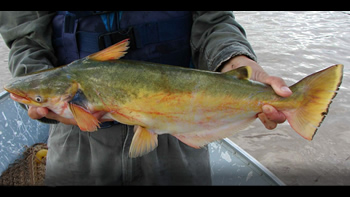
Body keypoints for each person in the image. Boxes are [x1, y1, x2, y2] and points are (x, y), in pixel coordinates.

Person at [0, 11, 292, 185]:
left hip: (181, 126)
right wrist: (39, 84)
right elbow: (25, 38)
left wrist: (235, 61)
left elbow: (214, 21)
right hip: (77, 143)